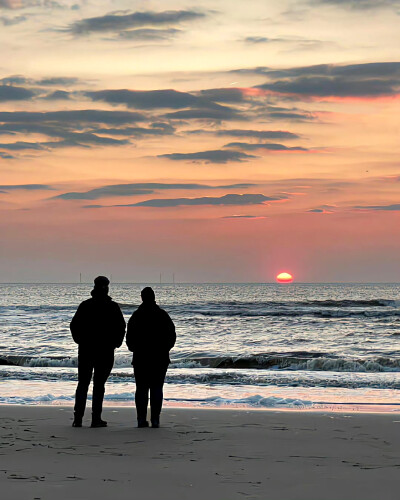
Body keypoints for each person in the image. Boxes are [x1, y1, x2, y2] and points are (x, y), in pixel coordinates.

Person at [70, 276, 126, 428]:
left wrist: (80, 340)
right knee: (98, 385)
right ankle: (95, 418)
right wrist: (116, 343)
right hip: (104, 351)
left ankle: (78, 418)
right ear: (106, 288)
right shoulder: (112, 307)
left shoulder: (85, 305)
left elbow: (74, 326)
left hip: (87, 350)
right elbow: (121, 327)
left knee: (83, 384)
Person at [126, 287, 176, 428]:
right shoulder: (162, 315)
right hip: (159, 358)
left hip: (141, 357)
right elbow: (172, 336)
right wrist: (165, 349)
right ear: (154, 297)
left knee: (141, 388)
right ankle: (155, 419)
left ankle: (141, 419)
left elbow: (129, 339)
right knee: (156, 388)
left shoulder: (136, 316)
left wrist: (135, 348)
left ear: (142, 298)